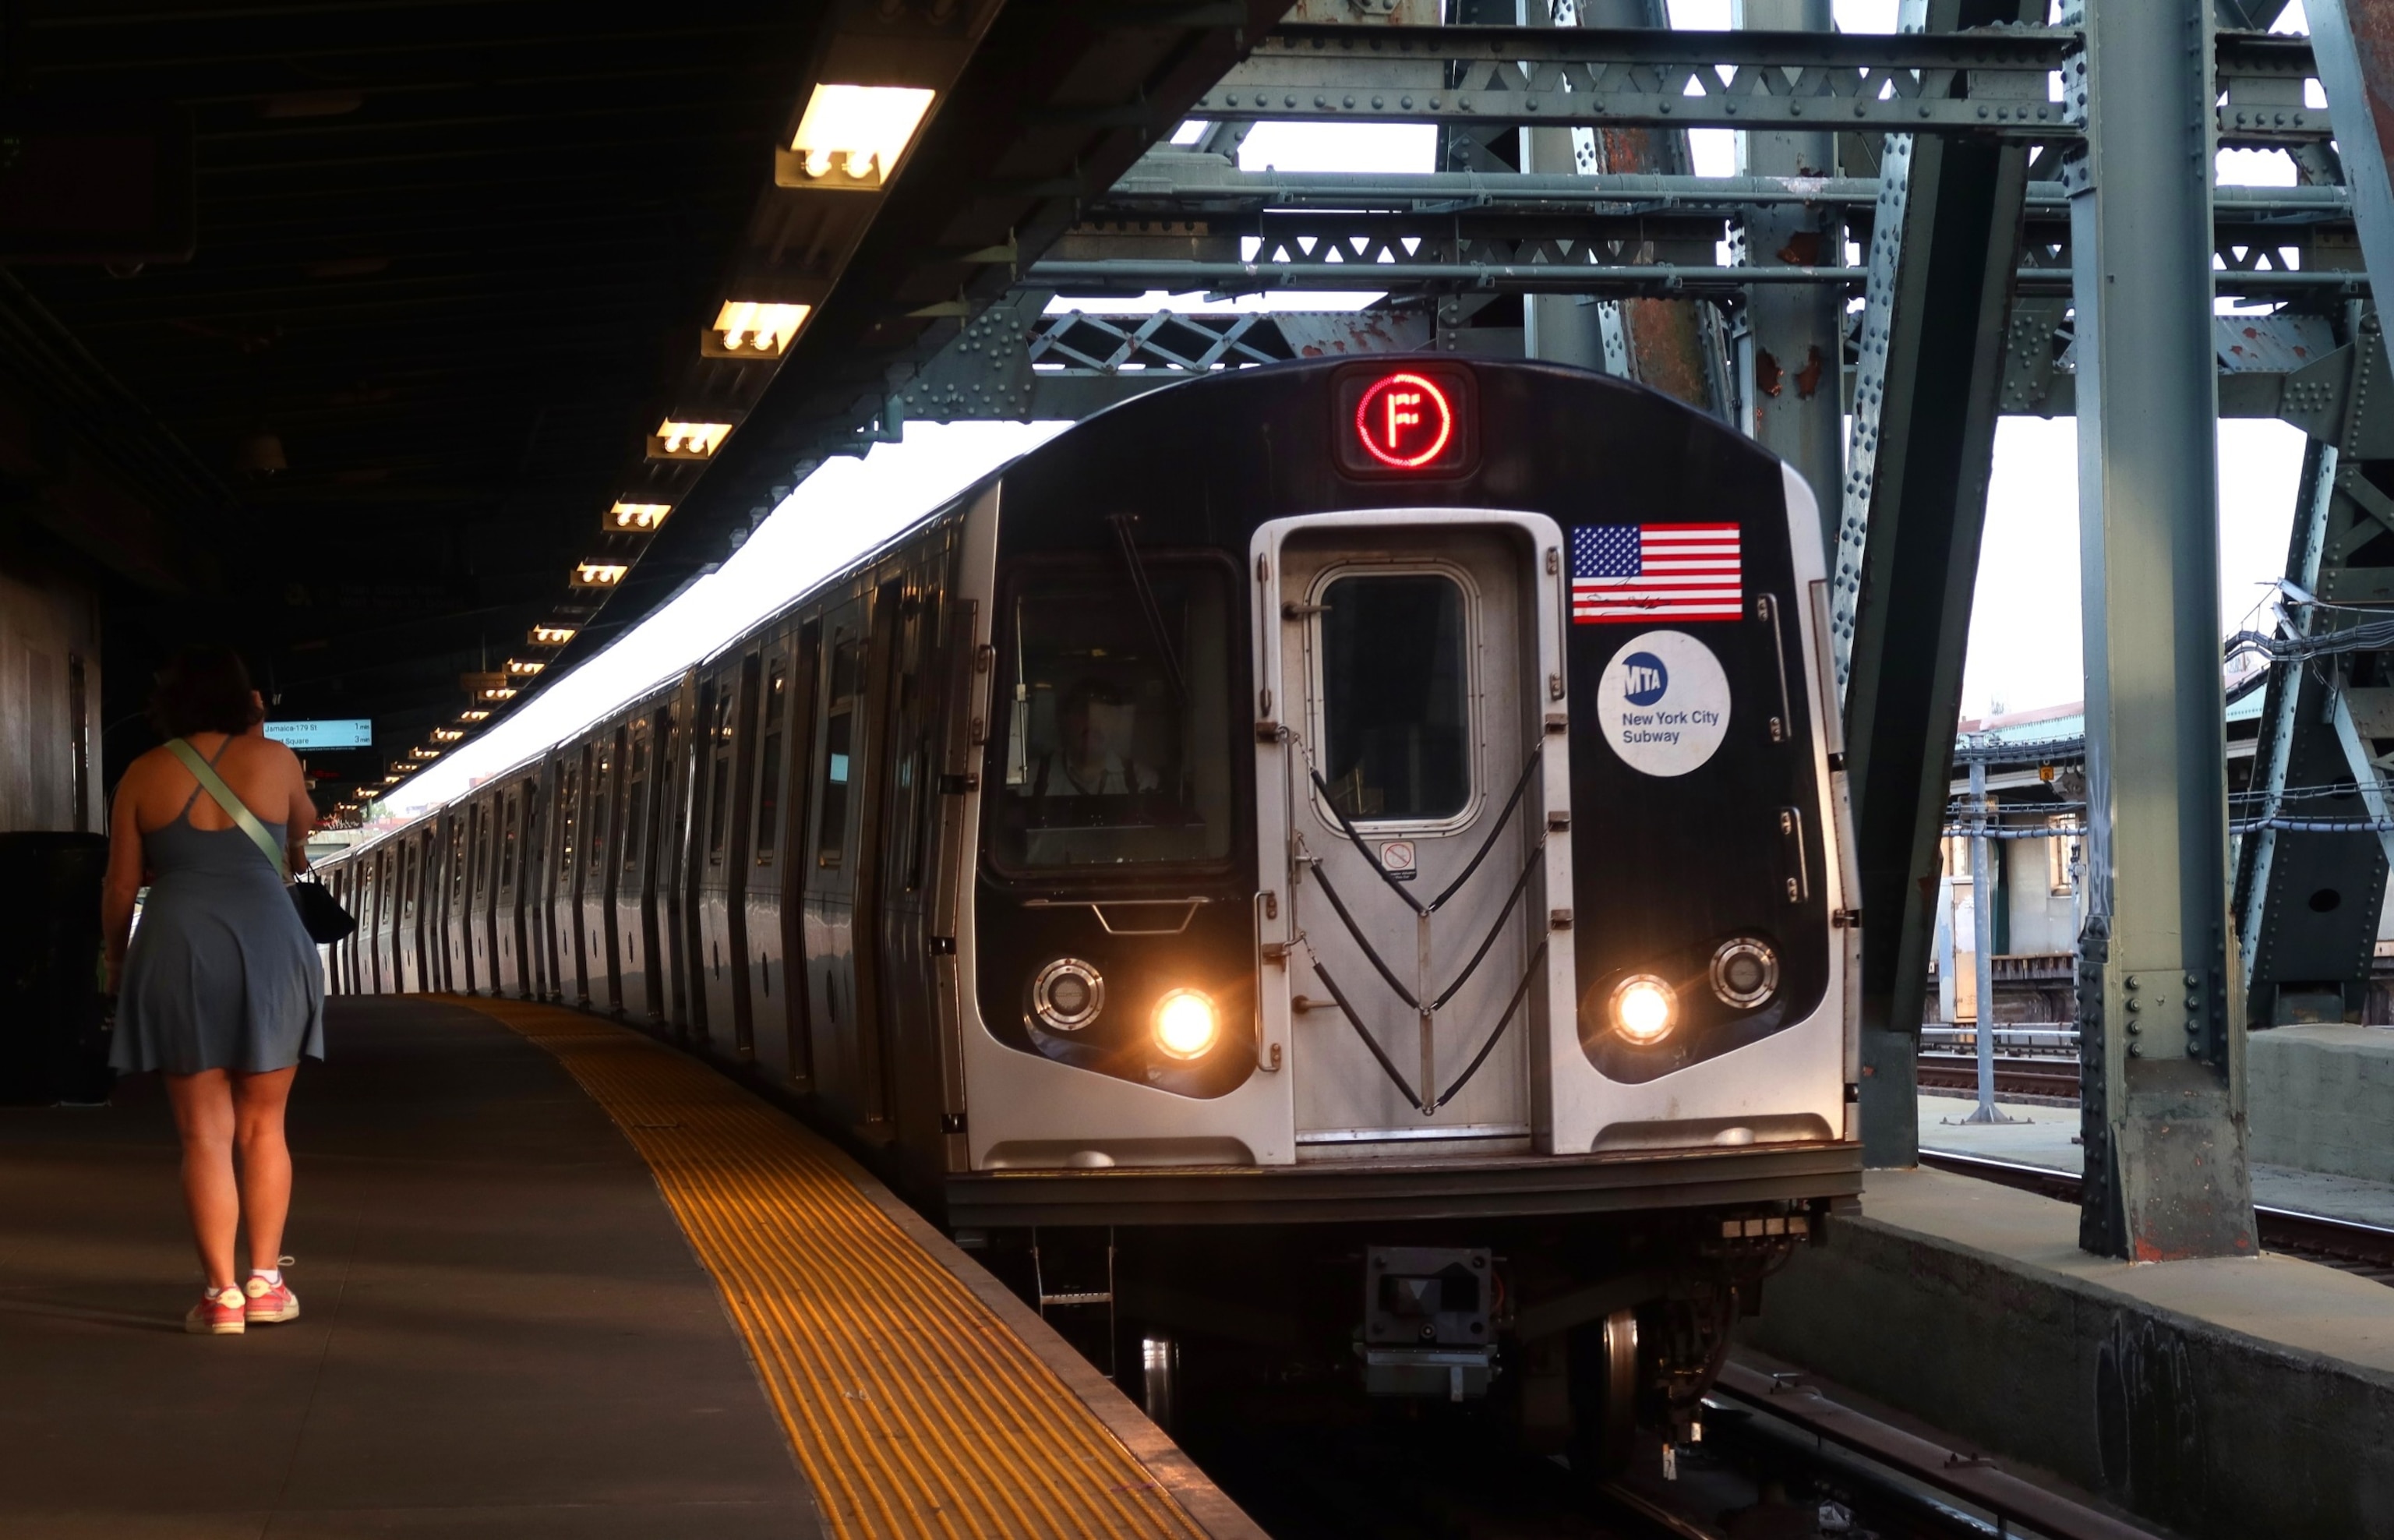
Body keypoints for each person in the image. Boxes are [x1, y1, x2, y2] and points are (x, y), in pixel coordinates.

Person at [102, 646, 325, 1336]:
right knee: (264, 1127)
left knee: (203, 1133)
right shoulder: (278, 760)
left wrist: (116, 967)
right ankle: (265, 1282)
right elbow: (303, 831)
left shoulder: (142, 773)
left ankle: (221, 1296)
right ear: (247, 702)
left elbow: (120, 885)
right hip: (268, 943)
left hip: (177, 949)